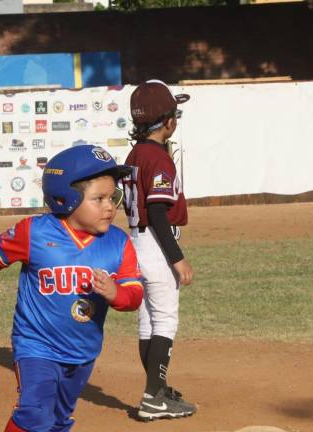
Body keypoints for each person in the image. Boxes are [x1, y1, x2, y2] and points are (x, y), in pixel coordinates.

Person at [0, 145, 144, 432]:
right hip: (36, 344)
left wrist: (116, 294)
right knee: (35, 413)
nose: (110, 206)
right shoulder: (34, 232)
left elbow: (134, 294)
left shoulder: (118, 243)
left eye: (113, 197)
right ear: (67, 198)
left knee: (58, 420)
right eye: (99, 199)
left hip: (83, 350)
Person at [122, 79, 196, 421]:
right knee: (165, 319)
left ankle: (158, 389)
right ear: (167, 122)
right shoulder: (159, 159)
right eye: (174, 113)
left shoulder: (135, 153)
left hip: (137, 243)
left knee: (148, 321)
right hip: (156, 242)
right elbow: (156, 212)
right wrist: (177, 258)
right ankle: (153, 396)